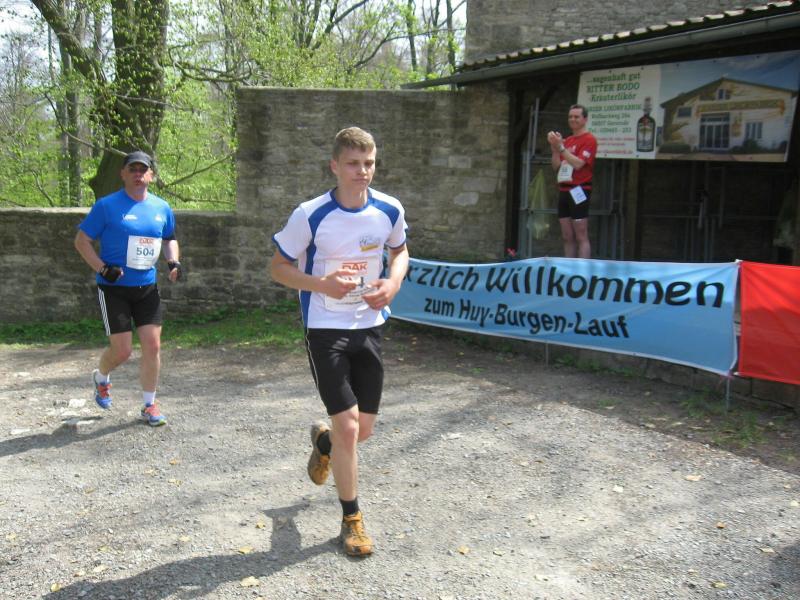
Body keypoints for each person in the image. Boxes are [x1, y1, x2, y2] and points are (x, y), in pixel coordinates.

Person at [270, 127, 409, 557]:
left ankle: (324, 444)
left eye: (369, 163)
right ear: (334, 165)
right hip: (325, 328)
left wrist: (393, 283)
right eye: (353, 163)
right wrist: (322, 285)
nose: (362, 171)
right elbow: (278, 267)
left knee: (360, 431)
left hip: (369, 327)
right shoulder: (310, 214)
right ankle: (352, 521)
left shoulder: (388, 209)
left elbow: (400, 252)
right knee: (348, 425)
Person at [74, 151, 182, 427]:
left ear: (151, 176)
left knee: (153, 345)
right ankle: (101, 377)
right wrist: (102, 269)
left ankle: (149, 404)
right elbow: (82, 241)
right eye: (132, 169)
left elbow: (169, 238)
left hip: (147, 288)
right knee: (122, 351)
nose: (137, 174)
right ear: (122, 174)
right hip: (114, 289)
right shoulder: (106, 206)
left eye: (142, 170)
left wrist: (173, 261)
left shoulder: (161, 208)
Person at [548, 104, 597, 258]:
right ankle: (569, 268)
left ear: (585, 119)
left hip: (579, 190)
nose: (573, 119)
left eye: (576, 116)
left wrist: (561, 148)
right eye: (570, 116)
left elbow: (578, 164)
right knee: (567, 235)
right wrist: (555, 150)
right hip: (564, 190)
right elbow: (556, 167)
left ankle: (582, 269)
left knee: (581, 234)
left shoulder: (589, 139)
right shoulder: (568, 140)